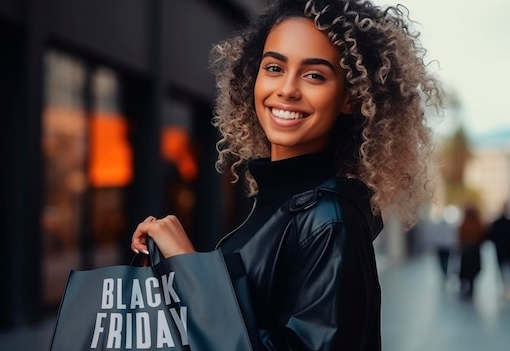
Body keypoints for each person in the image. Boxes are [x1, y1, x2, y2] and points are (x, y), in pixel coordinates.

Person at [131, 0, 442, 349]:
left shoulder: (329, 222)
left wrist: (189, 271)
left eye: (314, 75)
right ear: (253, 78)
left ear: (350, 97)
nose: (288, 89)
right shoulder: (279, 205)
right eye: (274, 68)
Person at [487, 202, 510, 298]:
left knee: (502, 267)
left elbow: (491, 235)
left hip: (500, 248)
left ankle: (505, 285)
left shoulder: (497, 223)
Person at [457, 205, 486, 299]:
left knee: (467, 270)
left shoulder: (466, 222)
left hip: (469, 249)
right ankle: (470, 287)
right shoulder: (476, 222)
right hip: (473, 249)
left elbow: (460, 235)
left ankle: (466, 287)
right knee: (471, 270)